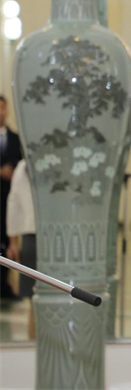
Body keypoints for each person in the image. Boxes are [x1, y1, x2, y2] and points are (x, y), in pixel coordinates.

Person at [6, 159, 37, 337]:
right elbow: (14, 203)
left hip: (30, 235)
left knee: (35, 299)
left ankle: (34, 343)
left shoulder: (22, 167)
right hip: (38, 236)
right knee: (38, 298)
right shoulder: (23, 167)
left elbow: (13, 204)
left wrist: (13, 241)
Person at [0, 95, 22, 300]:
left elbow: (21, 162)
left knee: (8, 242)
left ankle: (4, 285)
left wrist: (12, 170)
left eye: (2, 108)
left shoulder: (15, 138)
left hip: (9, 198)